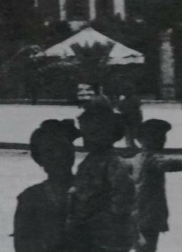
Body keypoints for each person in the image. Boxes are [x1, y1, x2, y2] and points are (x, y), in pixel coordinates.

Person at [66, 100, 136, 252]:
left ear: (110, 134)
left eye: (94, 134)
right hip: (84, 233)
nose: (88, 140)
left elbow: (122, 201)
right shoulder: (87, 162)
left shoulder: (115, 164)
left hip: (106, 236)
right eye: (85, 134)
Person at [131, 119, 182, 252]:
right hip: (149, 215)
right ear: (145, 139)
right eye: (159, 137)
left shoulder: (137, 158)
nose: (163, 140)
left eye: (163, 137)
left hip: (136, 213)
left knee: (141, 246)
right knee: (148, 247)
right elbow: (167, 163)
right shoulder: (152, 159)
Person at [13, 119, 80, 252]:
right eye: (49, 152)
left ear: (72, 151)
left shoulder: (93, 188)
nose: (58, 155)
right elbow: (23, 244)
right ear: (39, 159)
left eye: (63, 148)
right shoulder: (30, 198)